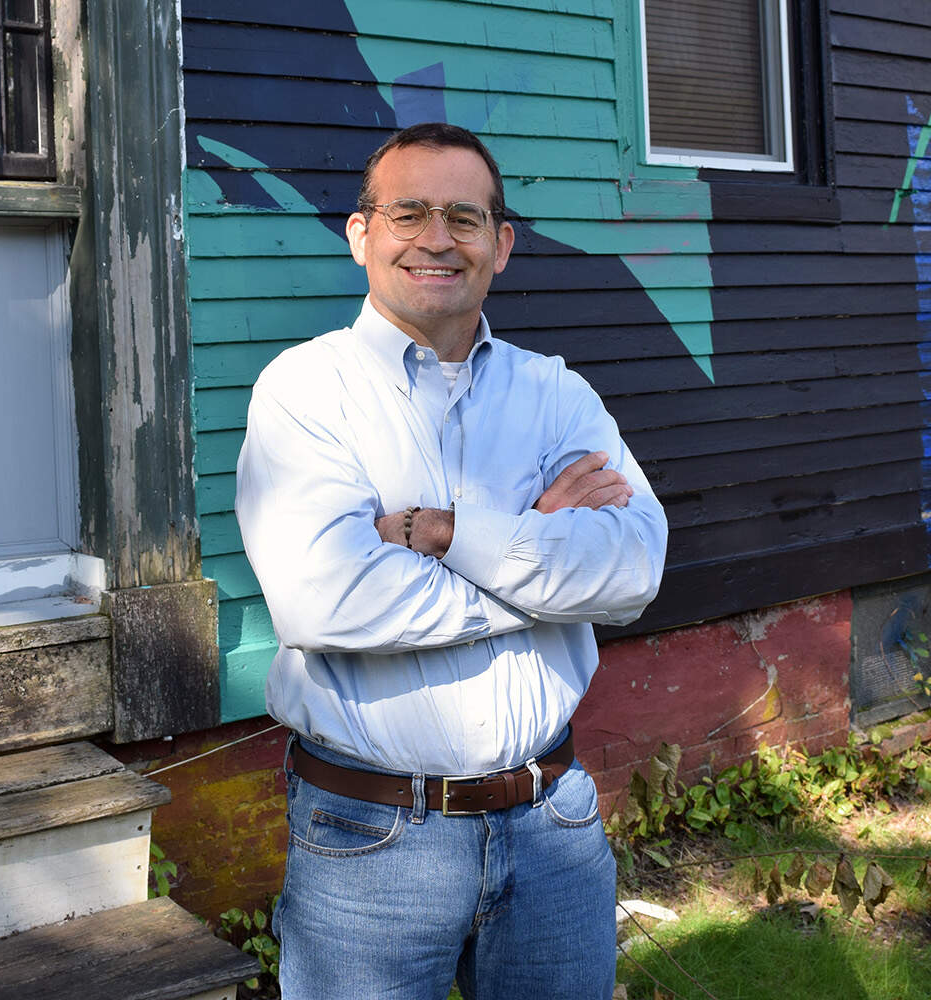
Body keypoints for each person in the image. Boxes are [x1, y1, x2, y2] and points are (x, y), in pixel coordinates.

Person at [234, 122, 668, 1000]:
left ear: (500, 245)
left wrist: (446, 533)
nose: (437, 238)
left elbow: (632, 569)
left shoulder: (557, 393)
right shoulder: (304, 391)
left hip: (552, 823)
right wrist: (539, 555)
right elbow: (328, 602)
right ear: (362, 234)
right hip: (371, 839)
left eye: (465, 217)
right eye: (409, 213)